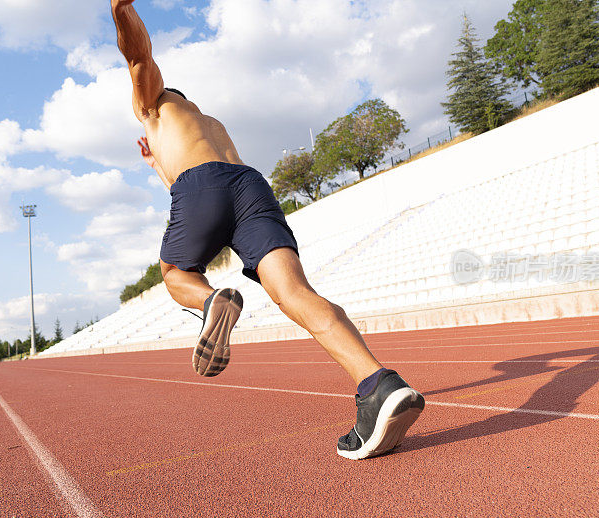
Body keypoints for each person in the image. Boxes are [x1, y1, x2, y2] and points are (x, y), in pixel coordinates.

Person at [111, 0, 424, 459]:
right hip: (250, 186)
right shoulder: (210, 123)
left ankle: (212, 300)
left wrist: (121, 9)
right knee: (296, 293)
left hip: (202, 185)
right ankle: (379, 384)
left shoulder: (153, 104)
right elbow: (191, 176)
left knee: (177, 273)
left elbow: (139, 58)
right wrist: (156, 159)